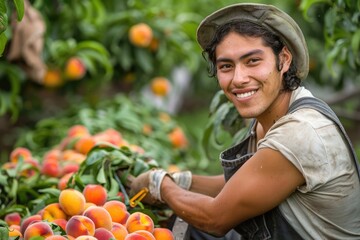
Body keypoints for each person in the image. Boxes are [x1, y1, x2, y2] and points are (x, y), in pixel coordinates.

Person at [128, 3, 360, 239]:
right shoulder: (274, 115)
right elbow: (244, 183)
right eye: (226, 66)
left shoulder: (299, 132)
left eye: (252, 61)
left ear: (285, 59)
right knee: (184, 222)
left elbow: (214, 218)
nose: (238, 79)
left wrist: (161, 184)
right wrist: (182, 180)